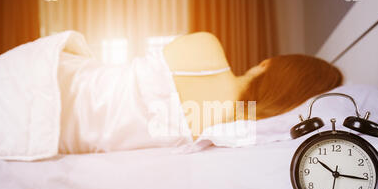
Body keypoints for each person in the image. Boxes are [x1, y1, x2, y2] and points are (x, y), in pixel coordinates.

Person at [58, 31, 343, 153]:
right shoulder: (230, 134)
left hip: (60, 83)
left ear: (266, 65)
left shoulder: (206, 48)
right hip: (61, 138)